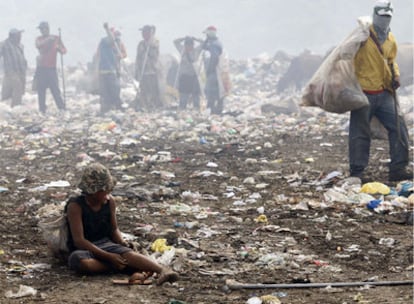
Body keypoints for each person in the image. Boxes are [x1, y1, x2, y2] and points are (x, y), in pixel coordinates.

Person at [65, 163, 179, 285]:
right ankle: (122, 265)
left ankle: (163, 271)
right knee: (79, 261)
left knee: (128, 253)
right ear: (93, 192)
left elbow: (114, 229)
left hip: (107, 244)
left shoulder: (110, 202)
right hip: (86, 248)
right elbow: (79, 241)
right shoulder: (75, 206)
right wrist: (109, 256)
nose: (108, 194)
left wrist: (122, 243)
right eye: (105, 191)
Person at [350, 0, 412, 182]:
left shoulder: (390, 38)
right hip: (363, 92)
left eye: (388, 17)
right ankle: (357, 172)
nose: (385, 21)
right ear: (375, 16)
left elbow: (391, 61)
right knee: (360, 133)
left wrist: (396, 75)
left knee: (399, 128)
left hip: (384, 92)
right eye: (382, 17)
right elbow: (346, 54)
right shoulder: (362, 36)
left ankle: (398, 168)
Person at [34, 21, 66, 114]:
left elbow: (64, 50)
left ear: (47, 29)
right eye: (40, 29)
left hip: (51, 68)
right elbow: (38, 45)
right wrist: (48, 40)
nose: (41, 31)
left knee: (55, 89)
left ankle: (62, 108)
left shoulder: (56, 38)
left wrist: (59, 48)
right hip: (41, 68)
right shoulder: (39, 39)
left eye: (42, 29)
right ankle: (42, 110)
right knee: (41, 90)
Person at [96, 28, 126, 114]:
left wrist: (119, 56)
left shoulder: (118, 43)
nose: (116, 37)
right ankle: (106, 107)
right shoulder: (104, 42)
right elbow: (98, 54)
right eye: (115, 35)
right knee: (105, 91)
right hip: (105, 70)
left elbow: (124, 54)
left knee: (115, 90)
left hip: (114, 70)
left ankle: (116, 106)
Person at [135, 25, 163, 111]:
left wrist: (149, 44)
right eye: (142, 33)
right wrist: (137, 70)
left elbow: (154, 54)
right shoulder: (140, 44)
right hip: (143, 72)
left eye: (145, 32)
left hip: (152, 71)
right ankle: (145, 106)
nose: (143, 34)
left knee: (154, 90)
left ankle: (155, 106)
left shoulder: (155, 42)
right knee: (143, 90)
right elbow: (138, 58)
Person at [173, 36, 203, 111]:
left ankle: (197, 109)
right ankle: (182, 109)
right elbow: (175, 42)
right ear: (185, 45)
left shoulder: (196, 51)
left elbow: (203, 43)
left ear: (193, 45)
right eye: (187, 45)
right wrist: (183, 38)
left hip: (194, 76)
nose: (189, 47)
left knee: (196, 95)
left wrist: (196, 38)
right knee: (183, 95)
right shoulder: (182, 50)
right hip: (184, 77)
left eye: (190, 45)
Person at [202, 26, 226, 115]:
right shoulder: (216, 43)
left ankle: (212, 109)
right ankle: (216, 109)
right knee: (217, 91)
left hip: (214, 72)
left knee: (211, 91)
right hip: (217, 72)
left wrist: (210, 70)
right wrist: (206, 40)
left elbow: (214, 58)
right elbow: (204, 47)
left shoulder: (214, 44)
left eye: (207, 34)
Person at [0, 28, 27, 107]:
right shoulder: (4, 44)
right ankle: (16, 106)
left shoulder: (20, 45)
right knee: (17, 87)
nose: (20, 37)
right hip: (11, 71)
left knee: (10, 90)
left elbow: (21, 57)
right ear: (12, 36)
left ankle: (6, 106)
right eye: (18, 35)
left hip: (21, 71)